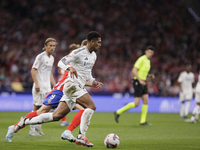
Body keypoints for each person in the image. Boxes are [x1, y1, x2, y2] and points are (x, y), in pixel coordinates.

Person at [12, 31, 103, 147]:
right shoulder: (79, 52)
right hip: (72, 85)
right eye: (99, 42)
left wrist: (93, 81)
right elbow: (62, 62)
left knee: (56, 116)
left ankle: (25, 121)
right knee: (91, 106)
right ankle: (81, 137)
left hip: (76, 87)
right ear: (92, 42)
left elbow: (87, 72)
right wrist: (69, 67)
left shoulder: (93, 55)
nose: (100, 45)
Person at [6, 41, 88, 142]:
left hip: (68, 92)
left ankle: (68, 132)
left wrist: (93, 83)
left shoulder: (82, 63)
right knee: (41, 111)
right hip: (60, 90)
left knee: (83, 110)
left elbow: (79, 79)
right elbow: (65, 72)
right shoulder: (72, 60)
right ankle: (15, 127)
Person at [114, 45, 155, 125]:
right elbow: (134, 70)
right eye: (149, 52)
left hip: (143, 82)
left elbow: (142, 72)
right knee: (136, 103)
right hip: (138, 82)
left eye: (152, 53)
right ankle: (118, 112)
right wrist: (140, 80)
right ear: (146, 52)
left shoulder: (148, 61)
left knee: (146, 101)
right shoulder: (141, 59)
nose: (150, 54)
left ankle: (143, 121)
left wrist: (149, 75)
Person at [30, 38, 57, 136]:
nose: (52, 48)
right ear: (45, 46)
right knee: (37, 108)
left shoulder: (52, 58)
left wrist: (55, 86)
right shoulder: (41, 56)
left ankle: (38, 126)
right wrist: (36, 83)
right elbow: (33, 70)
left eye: (54, 46)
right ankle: (32, 130)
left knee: (46, 108)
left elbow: (49, 73)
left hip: (47, 88)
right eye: (50, 46)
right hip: (39, 87)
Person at [58, 43, 81, 126]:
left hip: (62, 82)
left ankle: (63, 120)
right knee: (66, 102)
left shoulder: (65, 60)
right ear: (72, 51)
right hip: (64, 83)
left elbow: (59, 71)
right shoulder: (70, 60)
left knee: (65, 102)